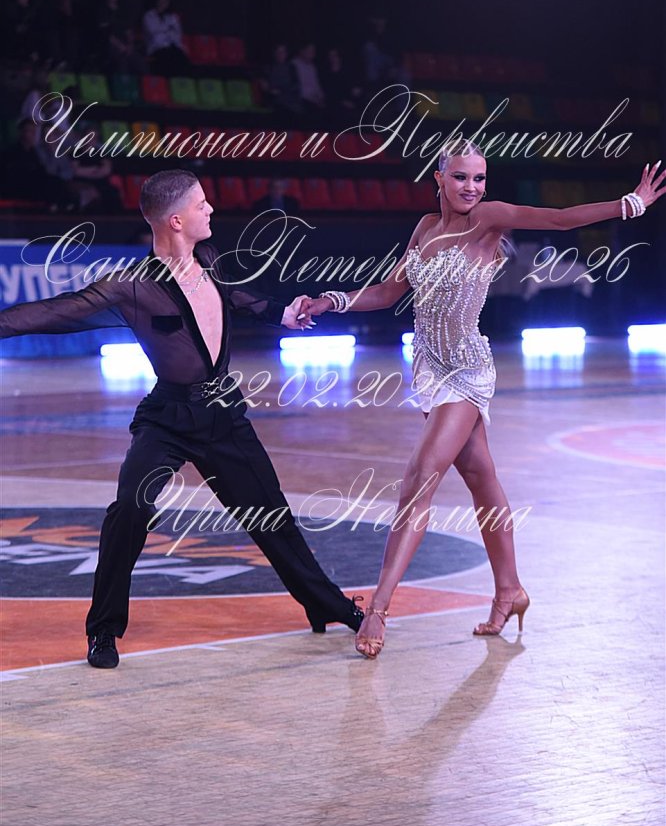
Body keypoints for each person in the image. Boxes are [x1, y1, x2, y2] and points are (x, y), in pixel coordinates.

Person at [301, 143, 666, 658]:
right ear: (439, 178)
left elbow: (558, 219)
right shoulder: (425, 227)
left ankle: (378, 609)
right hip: (428, 370)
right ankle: (509, 590)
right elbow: (387, 292)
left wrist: (629, 205)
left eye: (479, 178)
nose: (471, 187)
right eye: (461, 177)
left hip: (467, 372)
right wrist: (330, 301)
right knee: (480, 476)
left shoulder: (488, 219)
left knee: (419, 478)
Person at [0, 169, 365, 668]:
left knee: (270, 514)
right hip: (167, 418)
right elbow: (52, 312)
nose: (210, 209)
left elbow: (235, 298)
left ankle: (326, 605)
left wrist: (281, 313)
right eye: (200, 204)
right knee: (129, 510)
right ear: (175, 220)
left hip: (223, 415)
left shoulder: (210, 259)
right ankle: (103, 630)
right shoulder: (132, 286)